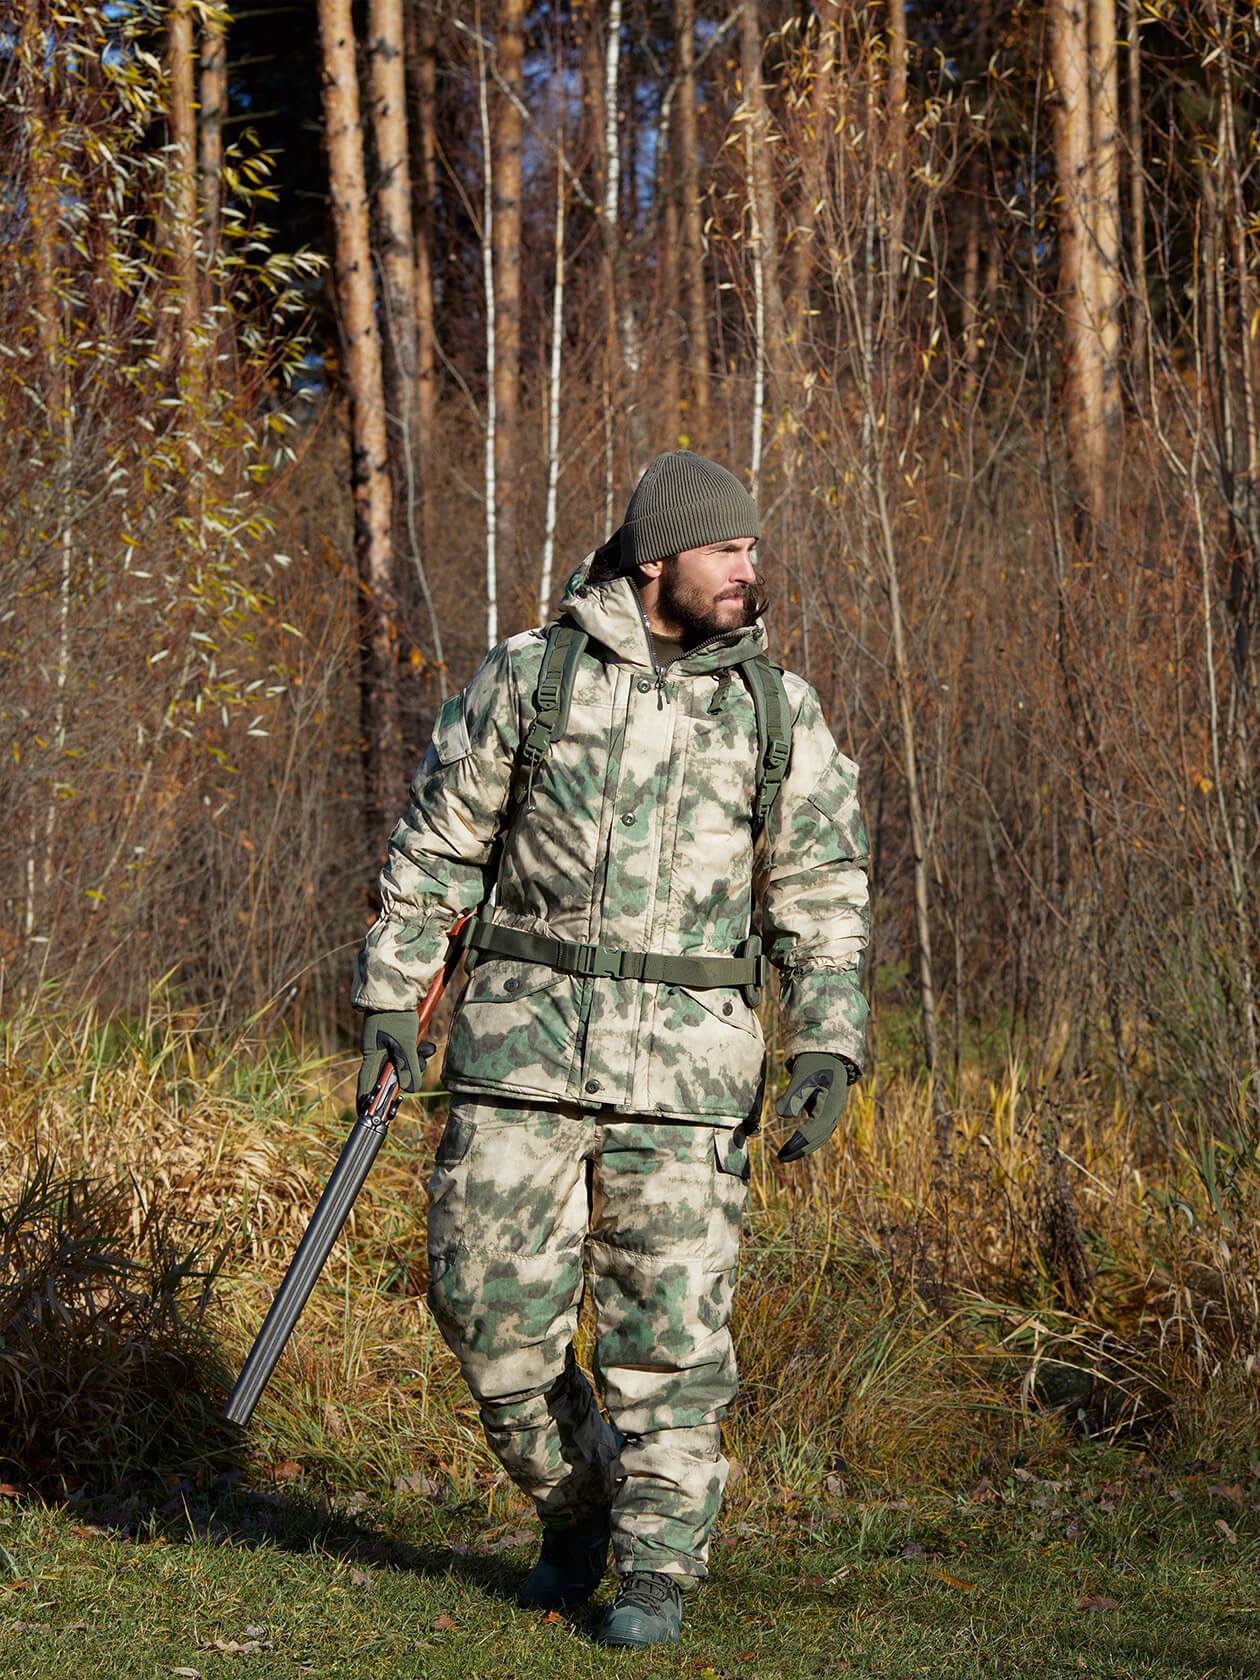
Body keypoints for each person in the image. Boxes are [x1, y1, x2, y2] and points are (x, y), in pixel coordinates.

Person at [352, 450, 869, 1647]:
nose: (751, 568)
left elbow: (822, 886)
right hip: (520, 1059)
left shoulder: (773, 709)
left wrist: (828, 1039)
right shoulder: (532, 682)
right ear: (657, 561)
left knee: (670, 1342)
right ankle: (576, 1505)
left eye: (752, 548)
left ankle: (655, 1568)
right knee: (486, 1314)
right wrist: (391, 995)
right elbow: (438, 846)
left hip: (690, 1075)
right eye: (727, 548)